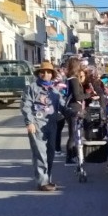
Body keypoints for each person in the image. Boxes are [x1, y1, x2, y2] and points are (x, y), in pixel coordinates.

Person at [21, 61, 66, 192]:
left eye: (48, 72)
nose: (45, 74)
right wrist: (29, 122)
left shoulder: (54, 91)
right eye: (42, 72)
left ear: (52, 75)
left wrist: (74, 112)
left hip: (51, 125)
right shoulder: (32, 88)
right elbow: (26, 106)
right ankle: (42, 182)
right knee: (40, 154)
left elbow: (62, 106)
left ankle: (48, 179)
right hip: (37, 125)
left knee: (50, 153)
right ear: (38, 74)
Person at [64, 57, 85, 165]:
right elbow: (77, 96)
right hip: (74, 108)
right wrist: (89, 95)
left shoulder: (69, 79)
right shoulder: (74, 80)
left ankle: (73, 155)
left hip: (70, 108)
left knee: (73, 133)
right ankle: (70, 157)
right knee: (73, 135)